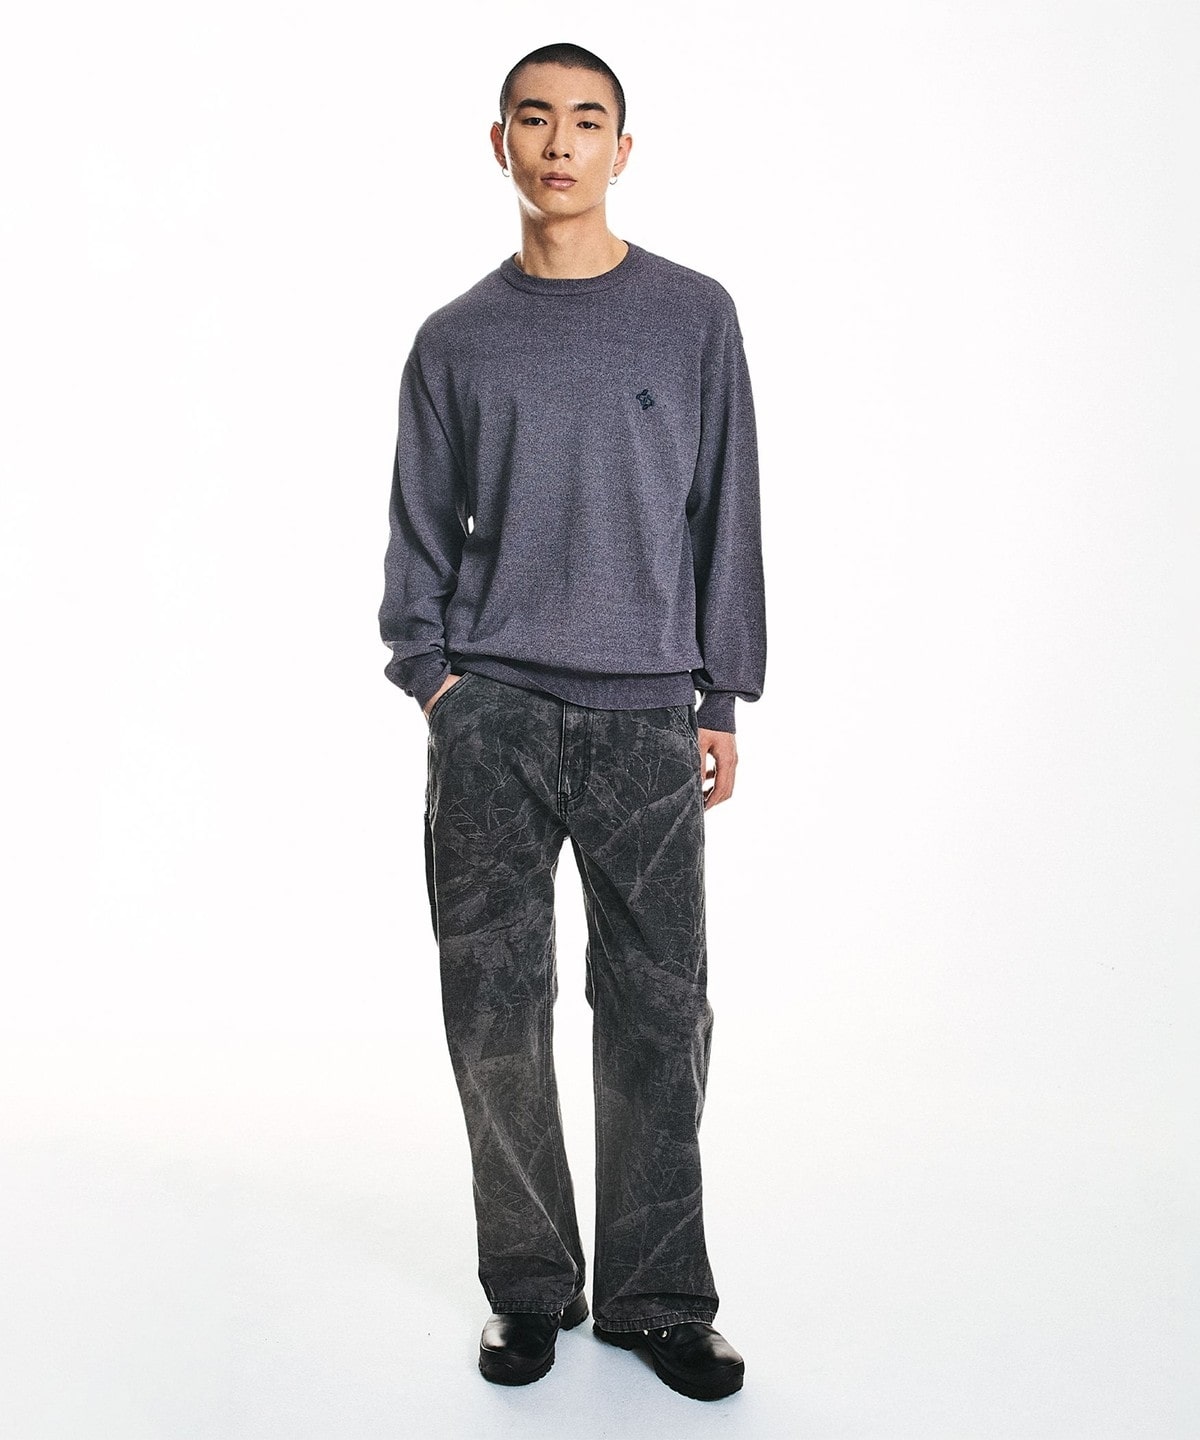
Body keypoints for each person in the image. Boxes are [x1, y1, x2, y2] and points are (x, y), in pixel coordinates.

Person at [378, 41, 766, 1402]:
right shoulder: (455, 339)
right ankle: (532, 1288)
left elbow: (727, 512)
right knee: (494, 1007)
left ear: (621, 148)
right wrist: (437, 684)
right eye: (534, 120)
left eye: (586, 121)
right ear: (501, 143)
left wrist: (721, 693)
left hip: (647, 716)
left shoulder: (692, 316)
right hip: (489, 715)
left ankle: (658, 1298)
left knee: (660, 1008)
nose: (559, 143)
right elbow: (418, 535)